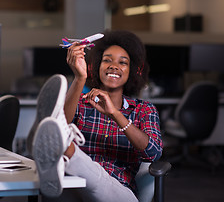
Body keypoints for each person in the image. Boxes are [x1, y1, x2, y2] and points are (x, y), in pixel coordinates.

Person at [29, 30, 163, 202]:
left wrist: (115, 114)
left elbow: (153, 153)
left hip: (119, 190)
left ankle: (65, 151)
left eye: (123, 63)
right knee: (66, 184)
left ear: (131, 71)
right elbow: (62, 122)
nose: (114, 66)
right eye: (107, 60)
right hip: (77, 185)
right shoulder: (82, 104)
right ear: (97, 66)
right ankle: (57, 153)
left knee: (81, 172)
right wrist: (79, 78)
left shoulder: (144, 109)